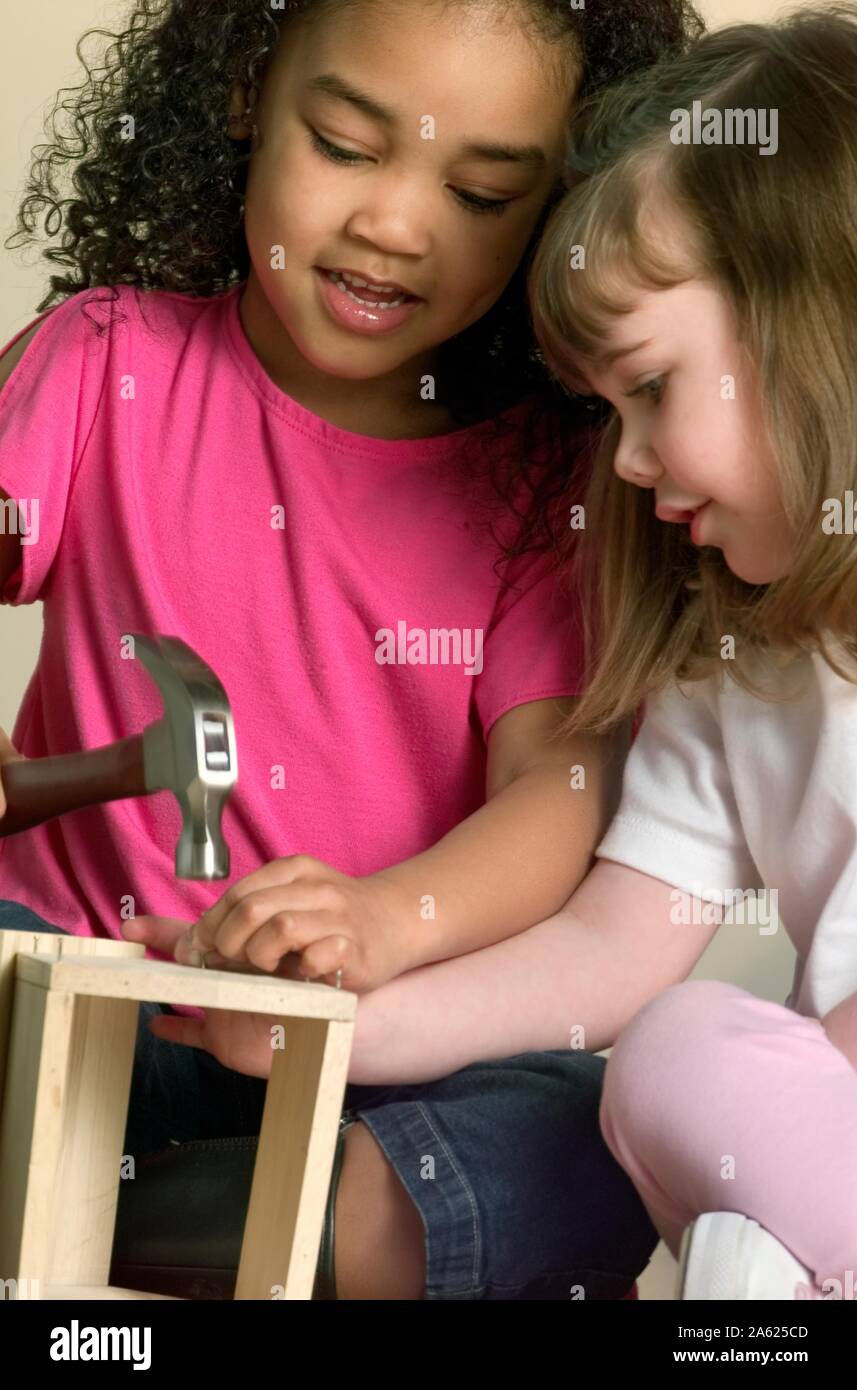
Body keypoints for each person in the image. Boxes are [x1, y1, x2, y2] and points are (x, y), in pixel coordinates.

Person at [0, 0, 704, 1300]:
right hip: (78, 1003)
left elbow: (556, 787)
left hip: (371, 1064)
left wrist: (385, 921)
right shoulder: (107, 363)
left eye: (484, 192)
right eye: (342, 143)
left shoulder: (546, 488)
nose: (395, 224)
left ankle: (163, 1218)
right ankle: (137, 1192)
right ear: (244, 104)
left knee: (596, 1132)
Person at [313, 3, 857, 1300]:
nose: (622, 459)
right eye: (606, 409)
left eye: (652, 388)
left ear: (818, 330)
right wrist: (333, 1031)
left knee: (693, 1066)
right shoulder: (738, 669)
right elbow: (606, 950)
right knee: (698, 1117)